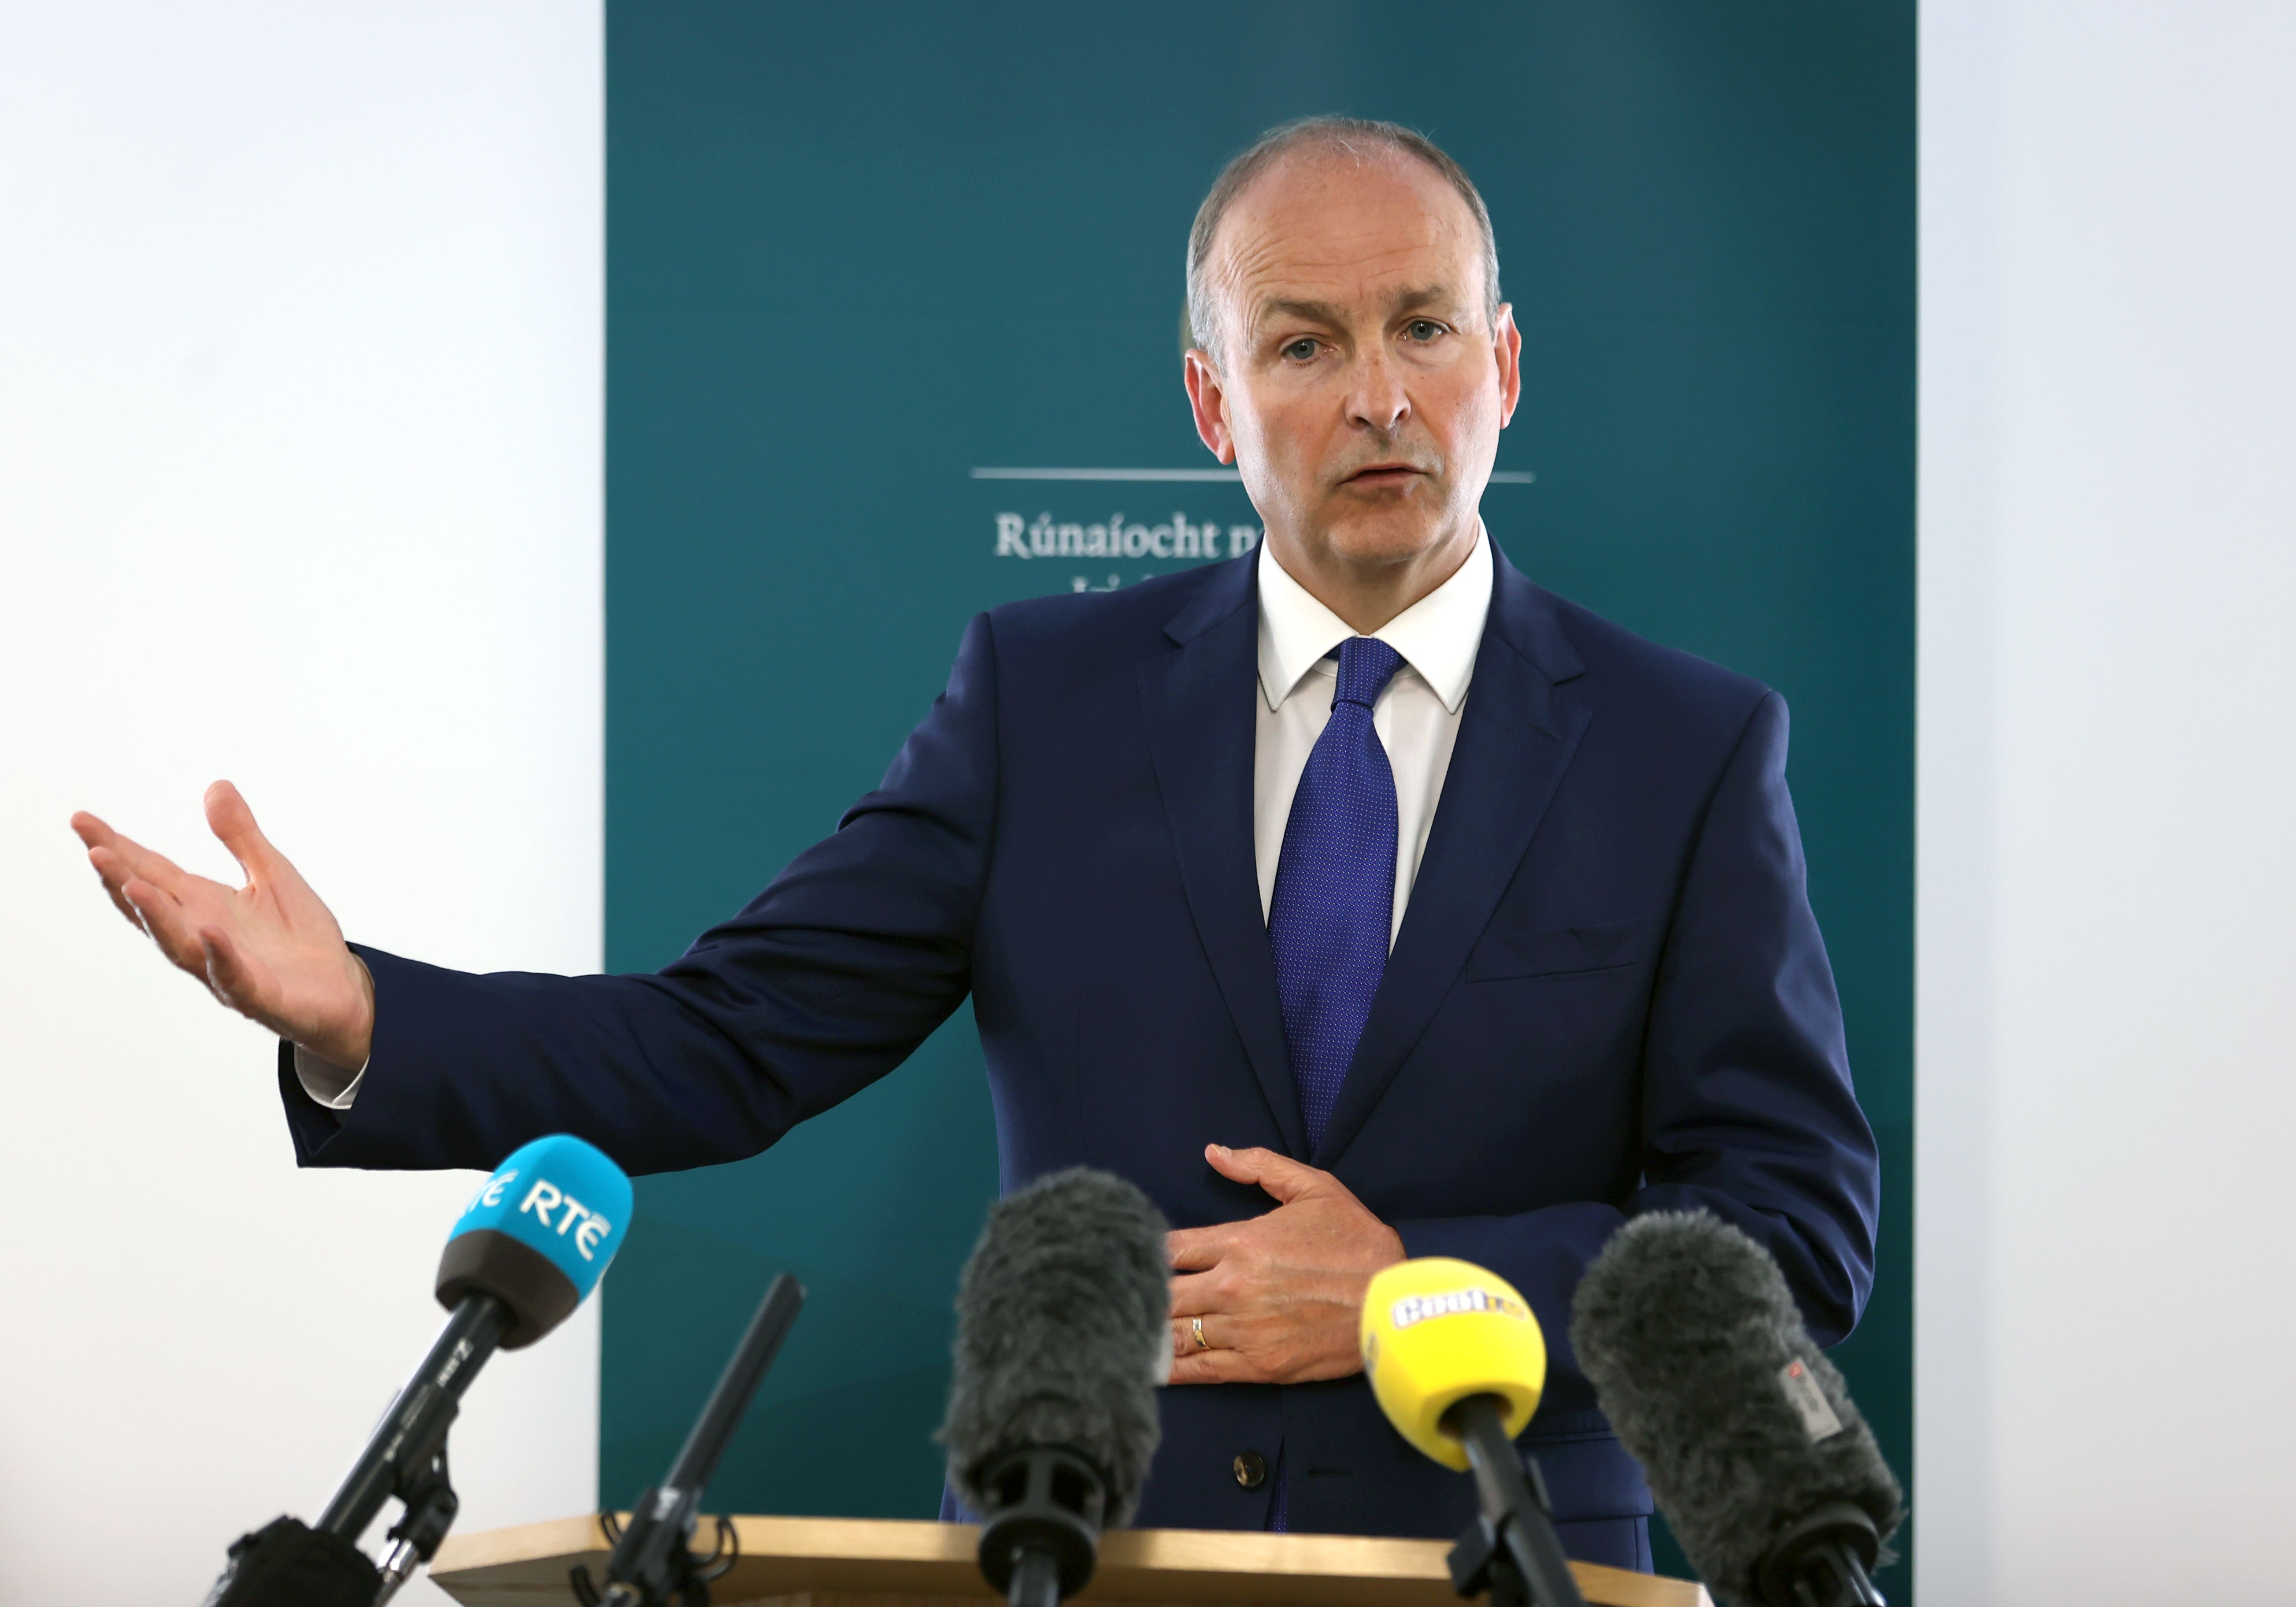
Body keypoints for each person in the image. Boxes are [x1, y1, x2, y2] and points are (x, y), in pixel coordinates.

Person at [72, 117, 1878, 1572]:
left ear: (1500, 361)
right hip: (1073, 1556)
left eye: (1422, 328)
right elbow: (729, 1040)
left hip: (1521, 1568)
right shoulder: (1047, 701)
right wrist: (360, 1018)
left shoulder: (1687, 747)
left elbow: (1792, 1233)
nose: (1379, 395)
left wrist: (1425, 1287)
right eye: (1303, 344)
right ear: (1212, 403)